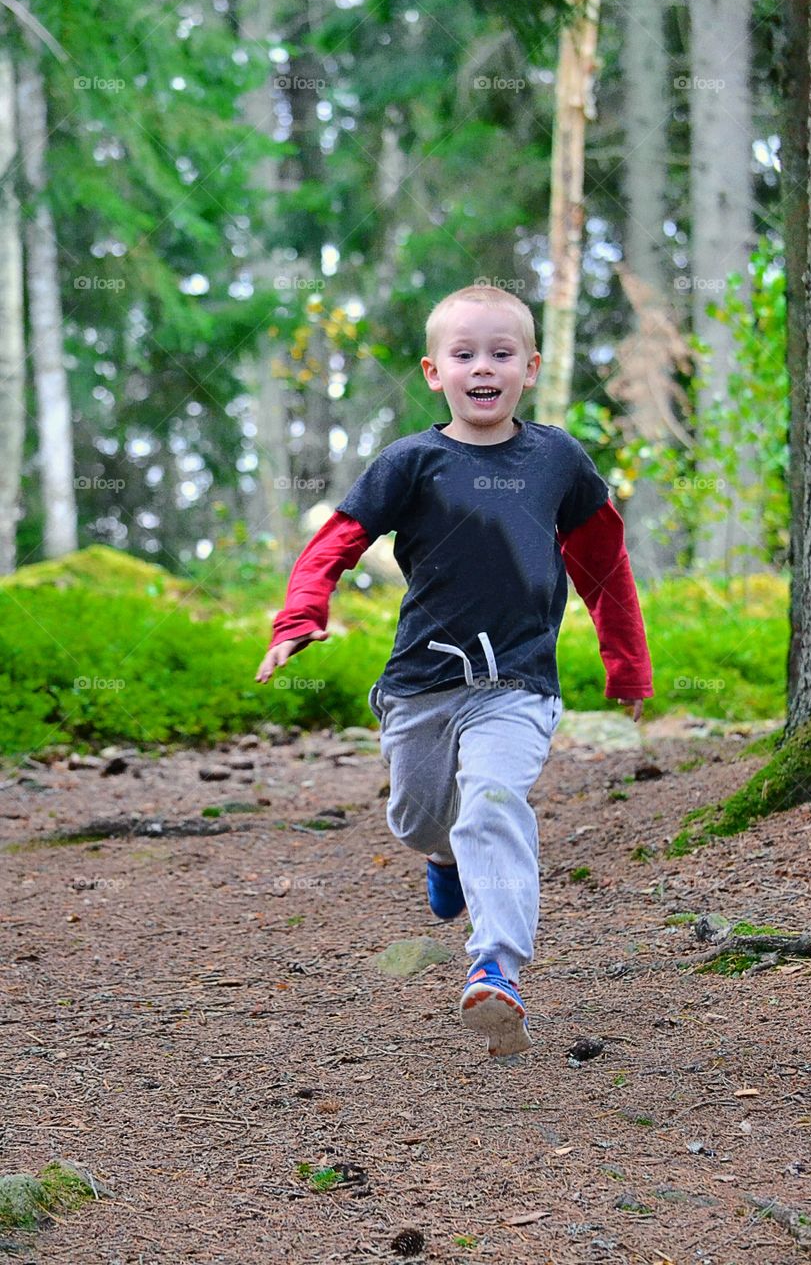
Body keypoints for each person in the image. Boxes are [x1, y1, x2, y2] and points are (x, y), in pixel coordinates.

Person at [256, 284, 653, 1058]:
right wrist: (299, 618)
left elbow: (604, 563)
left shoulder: (557, 460)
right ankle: (441, 858)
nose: (483, 367)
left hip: (517, 686)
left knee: (493, 803)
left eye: (501, 353)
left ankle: (496, 968)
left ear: (529, 368)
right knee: (416, 819)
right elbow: (336, 540)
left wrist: (626, 666)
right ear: (433, 371)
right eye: (464, 354)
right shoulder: (411, 462)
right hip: (420, 685)